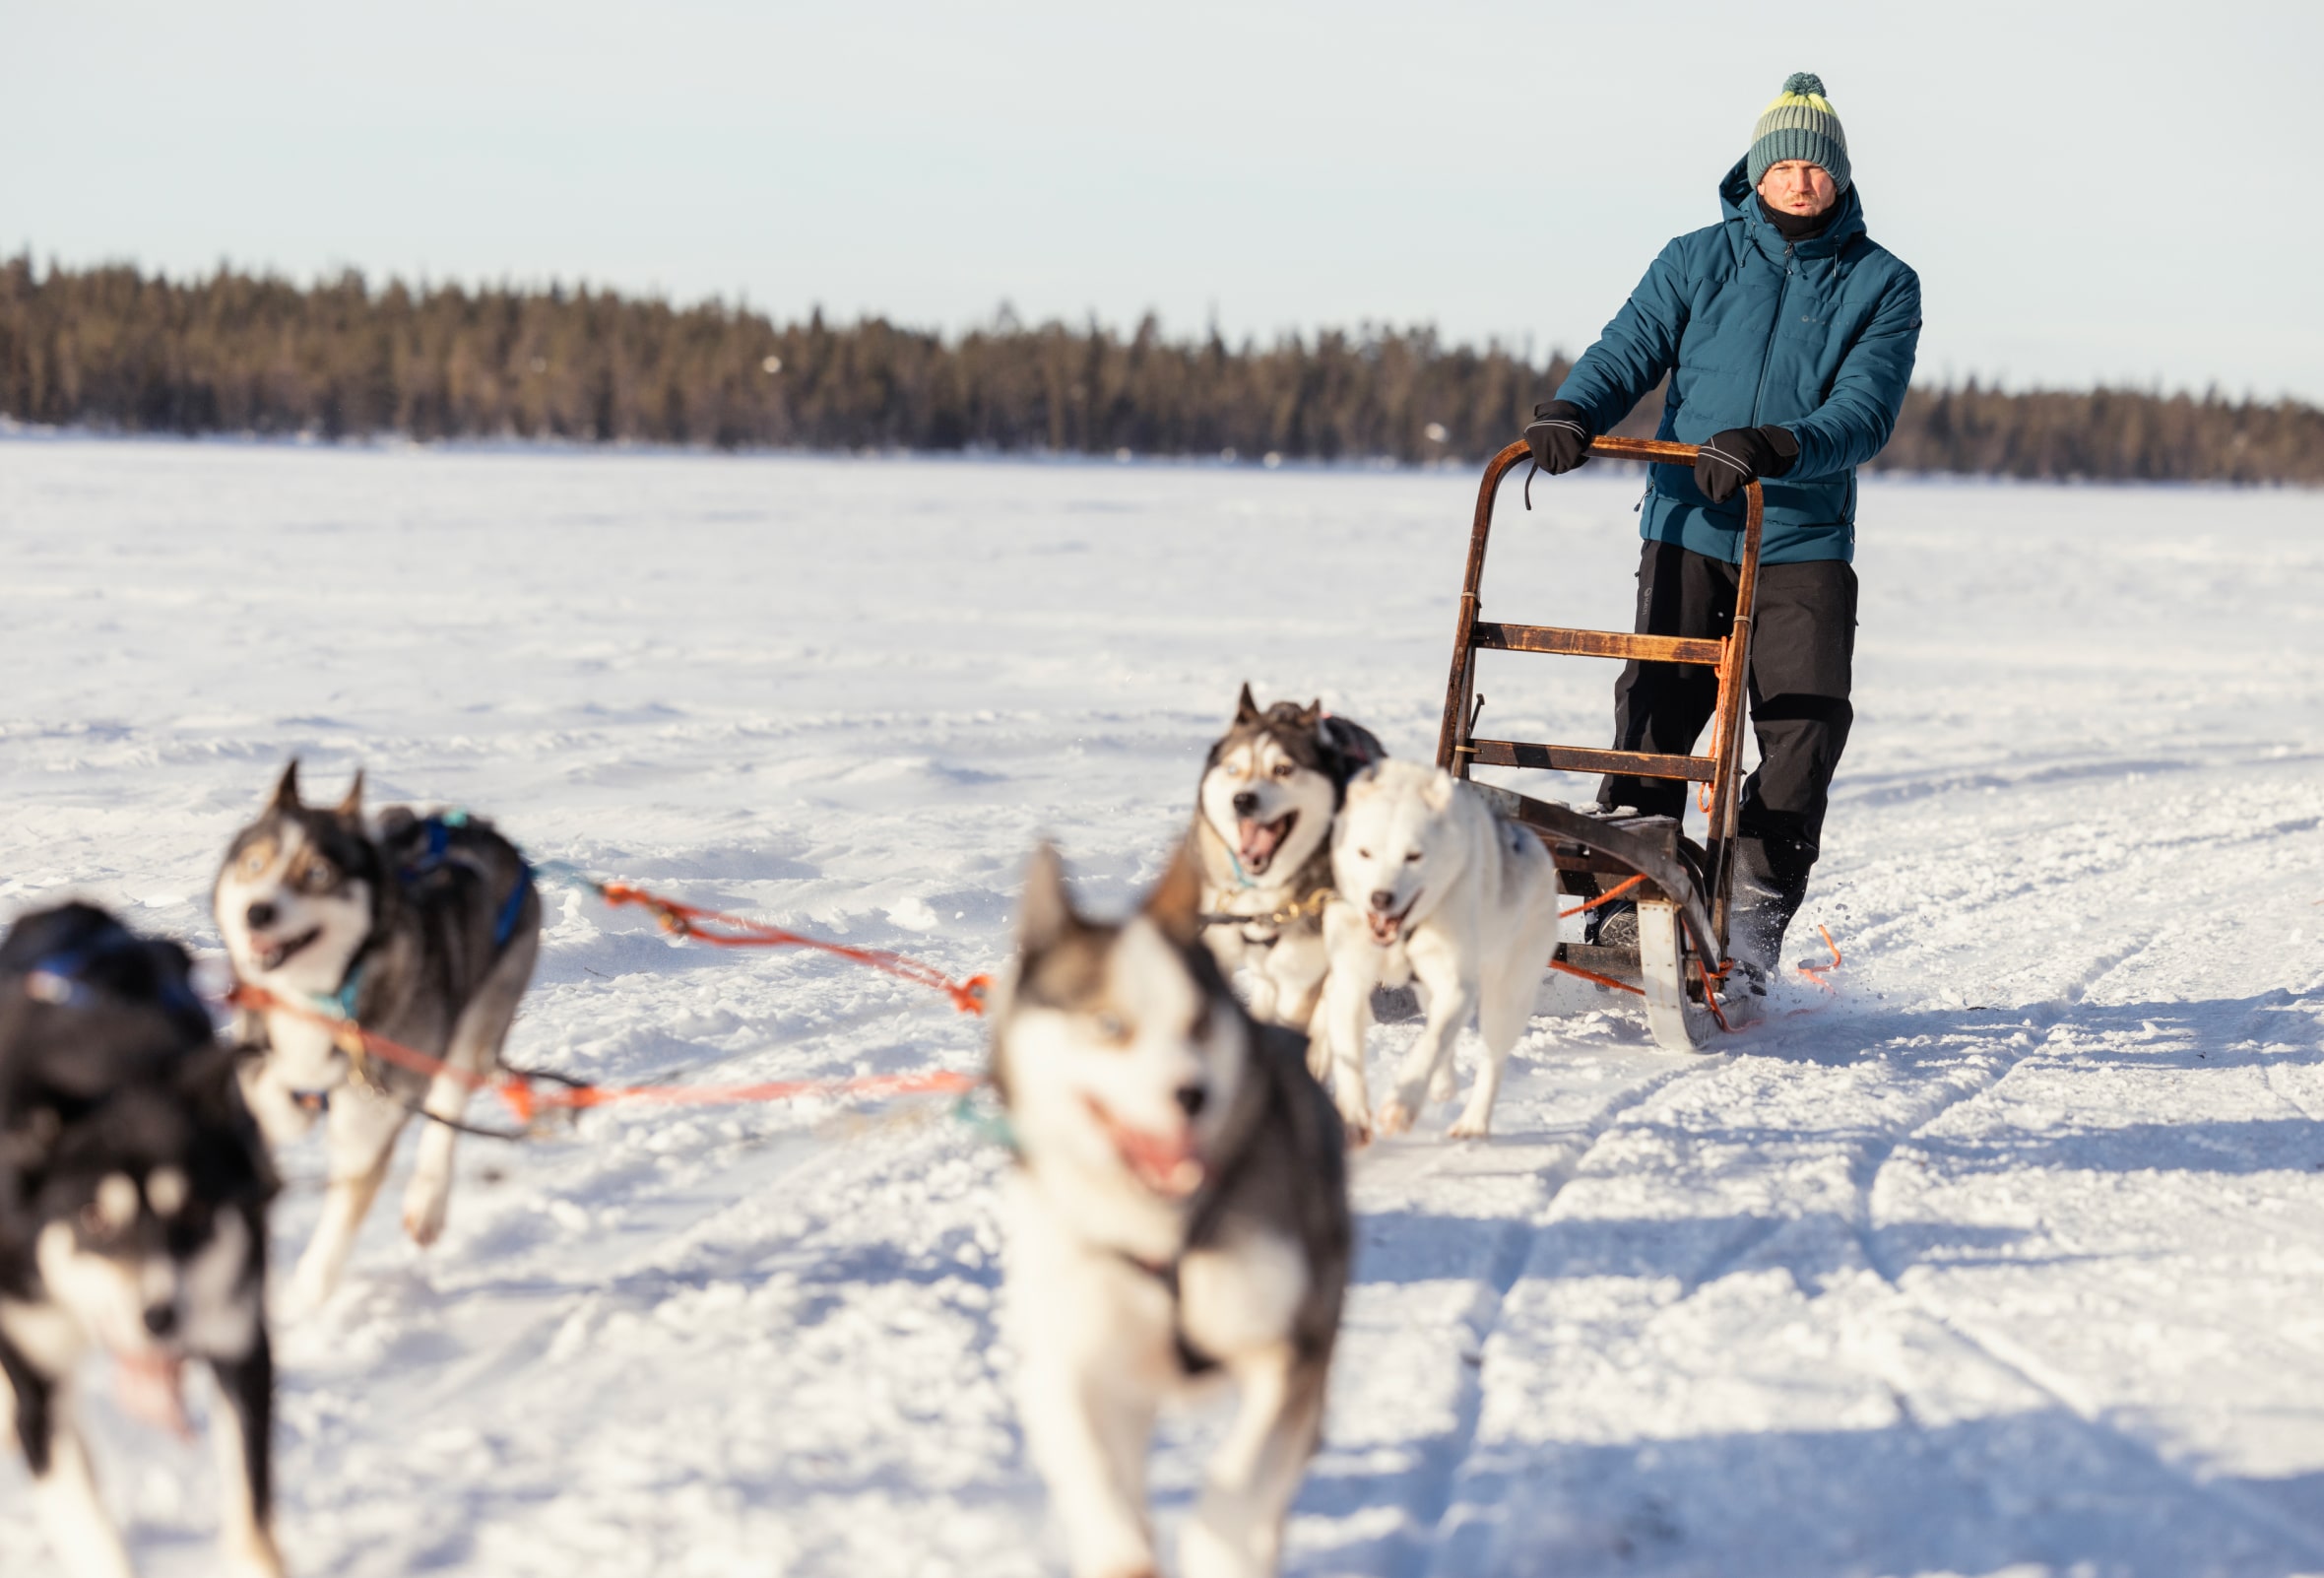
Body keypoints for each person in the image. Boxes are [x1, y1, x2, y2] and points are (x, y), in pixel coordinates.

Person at [1525, 72, 1919, 1014]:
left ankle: (1747, 921)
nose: (1799, 180)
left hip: (1801, 536)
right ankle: (1629, 903)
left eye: (1815, 167)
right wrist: (1575, 409)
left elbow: (1865, 410)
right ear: (1755, 171)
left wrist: (1780, 444)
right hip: (1687, 521)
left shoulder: (1883, 282)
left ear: (1839, 178)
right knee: (1656, 711)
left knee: (1804, 728)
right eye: (1783, 165)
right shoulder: (1695, 258)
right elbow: (1630, 346)